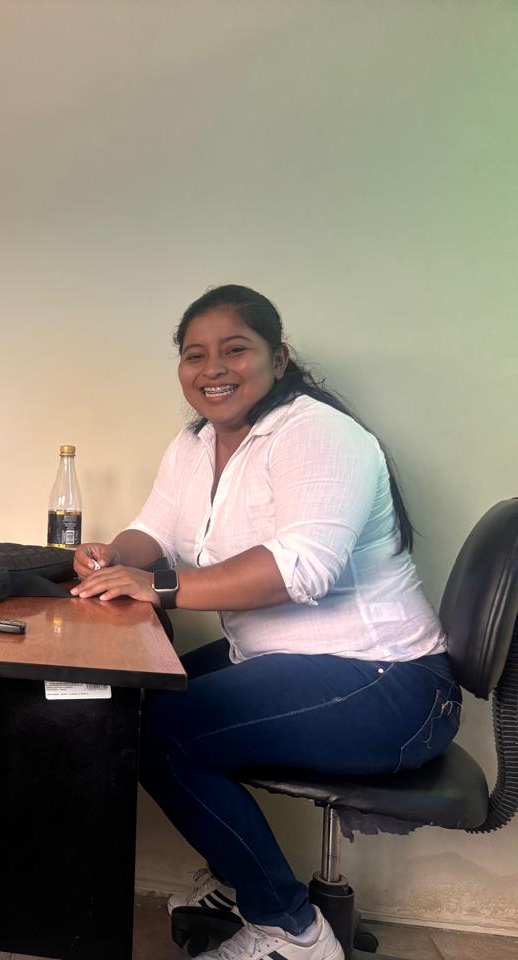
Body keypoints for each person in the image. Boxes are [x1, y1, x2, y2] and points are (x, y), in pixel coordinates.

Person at [70, 285, 460, 960]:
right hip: (284, 661)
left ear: (278, 359)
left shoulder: (319, 434)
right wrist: (114, 557)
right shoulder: (195, 444)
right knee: (132, 703)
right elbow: (152, 530)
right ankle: (240, 881)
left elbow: (302, 567)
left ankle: (291, 931)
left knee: (160, 735)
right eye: (195, 355)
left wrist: (157, 587)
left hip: (389, 683)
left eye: (235, 350)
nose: (213, 369)